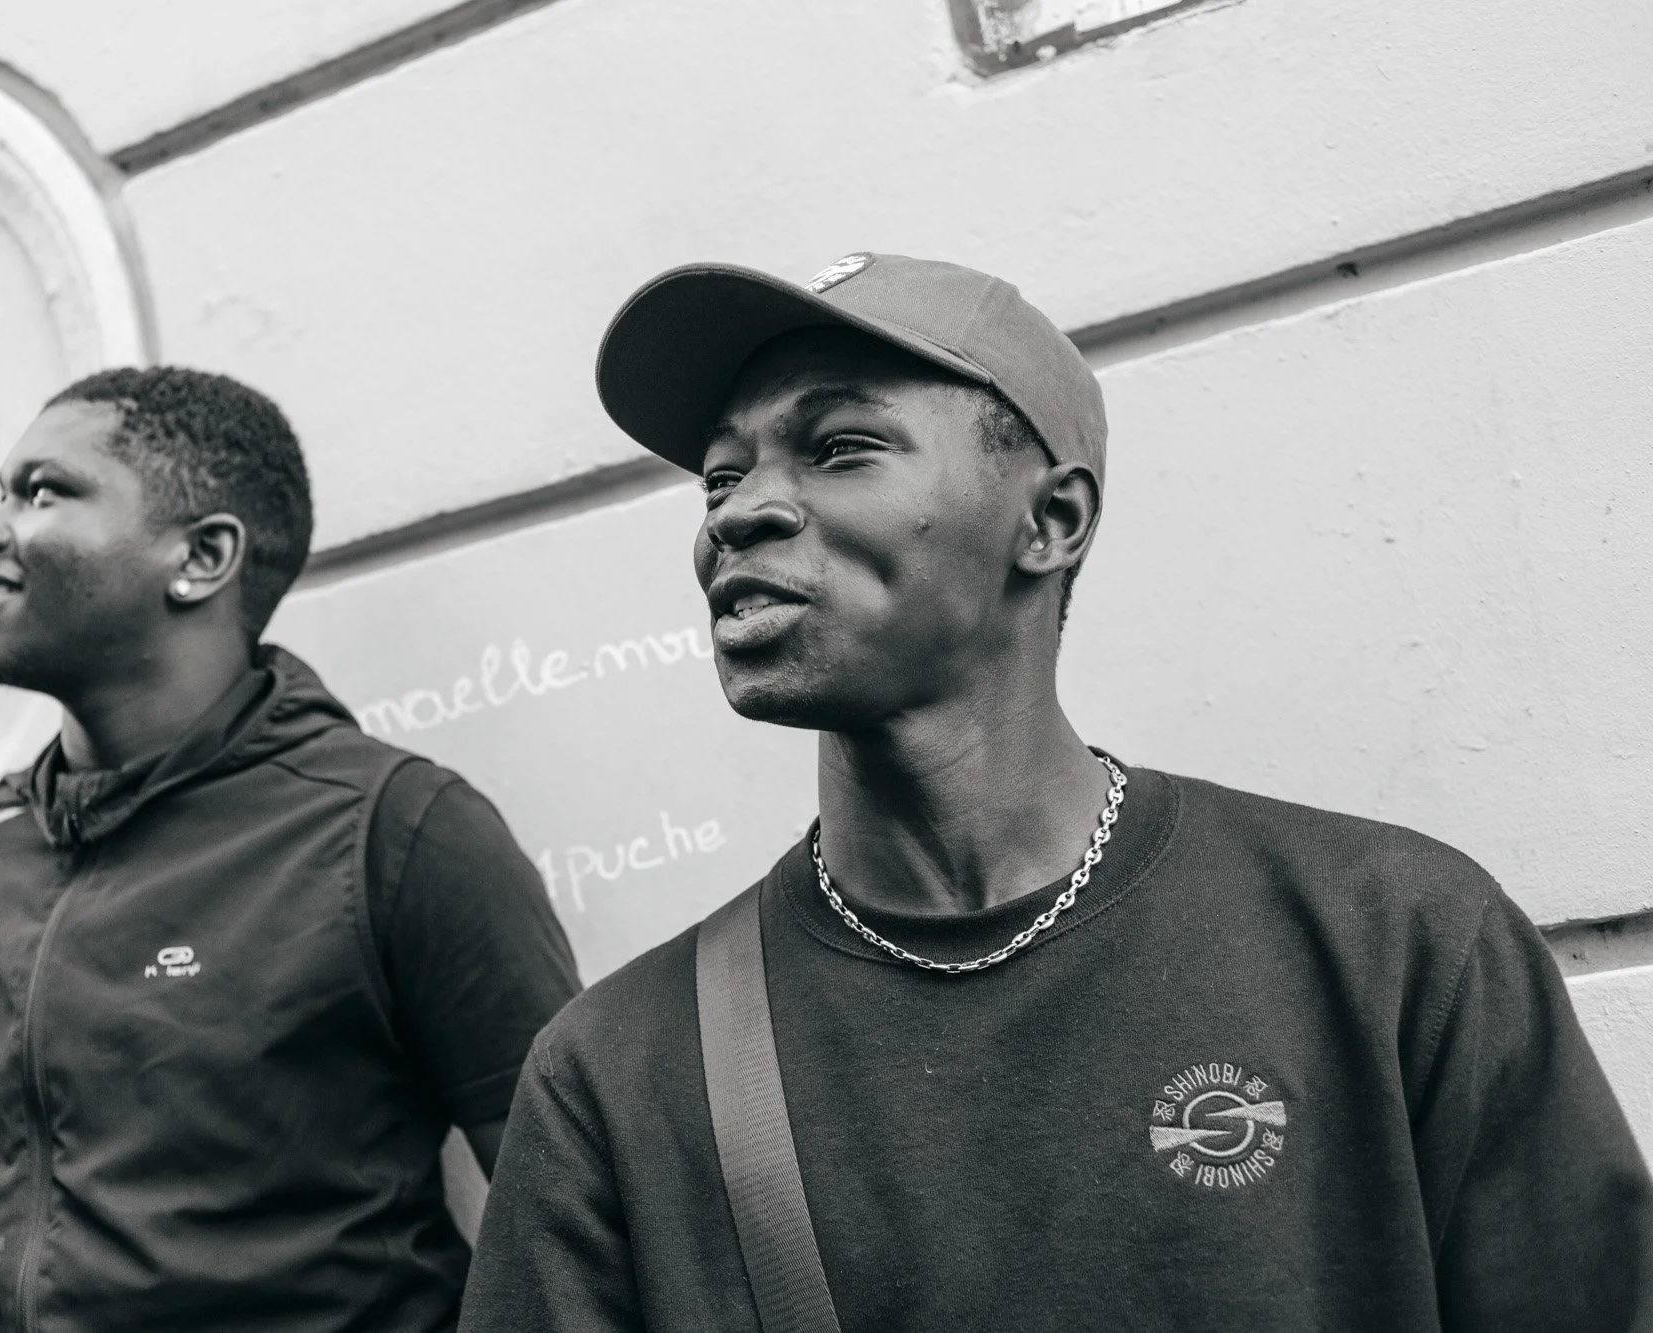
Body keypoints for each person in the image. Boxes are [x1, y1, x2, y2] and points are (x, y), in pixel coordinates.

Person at [458, 253, 1651, 1330]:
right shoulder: (619, 1068)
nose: (739, 513)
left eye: (838, 448)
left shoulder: (1393, 937)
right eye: (719, 477)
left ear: (1050, 519)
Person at [0, 367, 579, 1333]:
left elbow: (574, 1239)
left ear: (201, 556)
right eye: (0, 491)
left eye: (44, 492)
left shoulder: (398, 831)